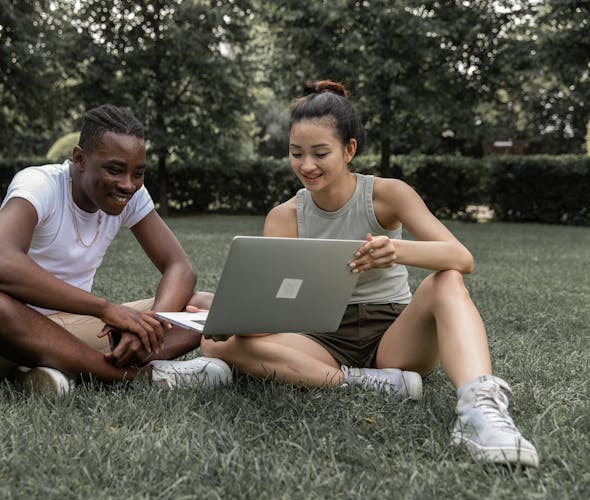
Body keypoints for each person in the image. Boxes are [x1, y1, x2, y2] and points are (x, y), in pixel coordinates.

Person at [200, 80, 539, 467]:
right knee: (214, 346)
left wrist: (396, 250)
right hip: (320, 338)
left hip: (393, 336)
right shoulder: (284, 216)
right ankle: (359, 383)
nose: (306, 166)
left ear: (349, 150)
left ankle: (482, 412)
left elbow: (461, 256)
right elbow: (275, 311)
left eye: (320, 152)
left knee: (446, 279)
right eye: (296, 153)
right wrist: (238, 323)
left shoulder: (387, 194)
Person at [0, 104, 231, 395]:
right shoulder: (39, 184)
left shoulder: (133, 196)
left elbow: (179, 267)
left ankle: (51, 371)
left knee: (206, 306)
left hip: (77, 330)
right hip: (12, 331)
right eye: (115, 170)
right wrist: (104, 308)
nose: (128, 185)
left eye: (138, 173)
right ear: (80, 158)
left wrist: (149, 327)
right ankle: (141, 377)